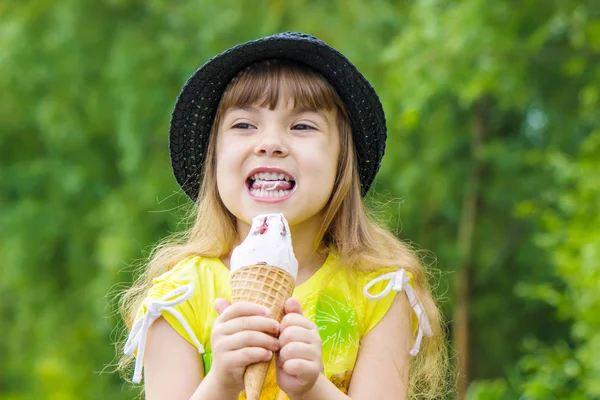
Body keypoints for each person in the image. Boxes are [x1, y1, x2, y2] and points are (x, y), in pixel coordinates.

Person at [119, 32, 449, 400]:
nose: (270, 142)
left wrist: (314, 388)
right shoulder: (179, 296)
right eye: (244, 125)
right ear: (213, 161)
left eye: (302, 126)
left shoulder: (380, 290)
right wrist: (221, 383)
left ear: (341, 162)